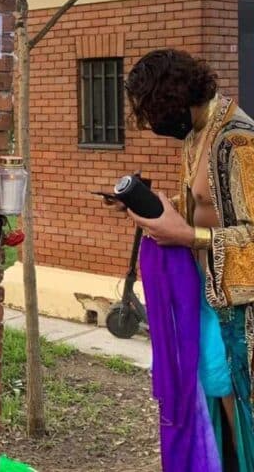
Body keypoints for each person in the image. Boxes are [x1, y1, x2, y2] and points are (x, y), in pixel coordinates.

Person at [117, 48, 254, 471]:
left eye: (156, 112)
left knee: (240, 413)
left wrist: (187, 235)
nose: (155, 125)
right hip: (209, 298)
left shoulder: (238, 140)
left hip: (240, 313)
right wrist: (161, 208)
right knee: (217, 407)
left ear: (177, 98)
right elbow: (207, 203)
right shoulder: (199, 133)